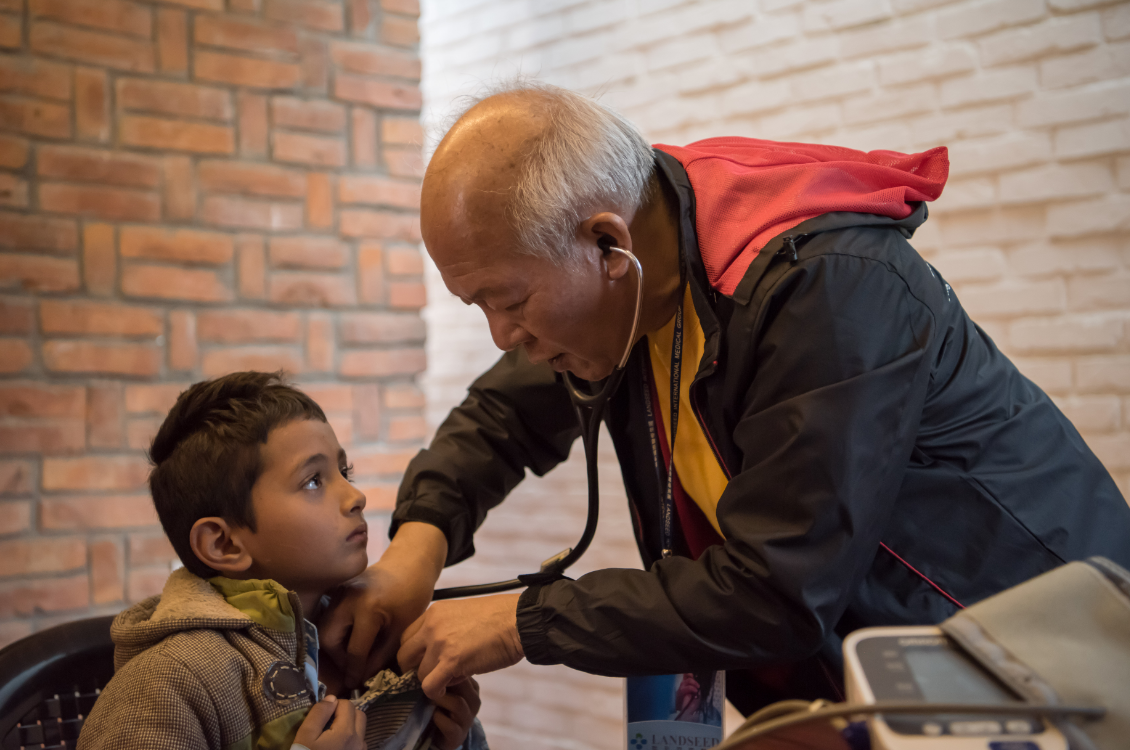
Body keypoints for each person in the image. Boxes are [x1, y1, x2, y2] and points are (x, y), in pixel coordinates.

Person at [320, 83, 1130, 715]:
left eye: (509, 300)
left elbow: (778, 589)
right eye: (479, 308)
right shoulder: (629, 282)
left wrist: (521, 620)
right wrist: (412, 555)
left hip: (1041, 662)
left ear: (607, 244)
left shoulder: (826, 289)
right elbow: (501, 419)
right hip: (881, 678)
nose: (503, 335)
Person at [78, 372, 482, 750]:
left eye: (345, 472)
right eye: (313, 481)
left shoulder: (380, 643)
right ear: (223, 544)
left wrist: (443, 740)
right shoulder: (166, 684)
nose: (355, 496)